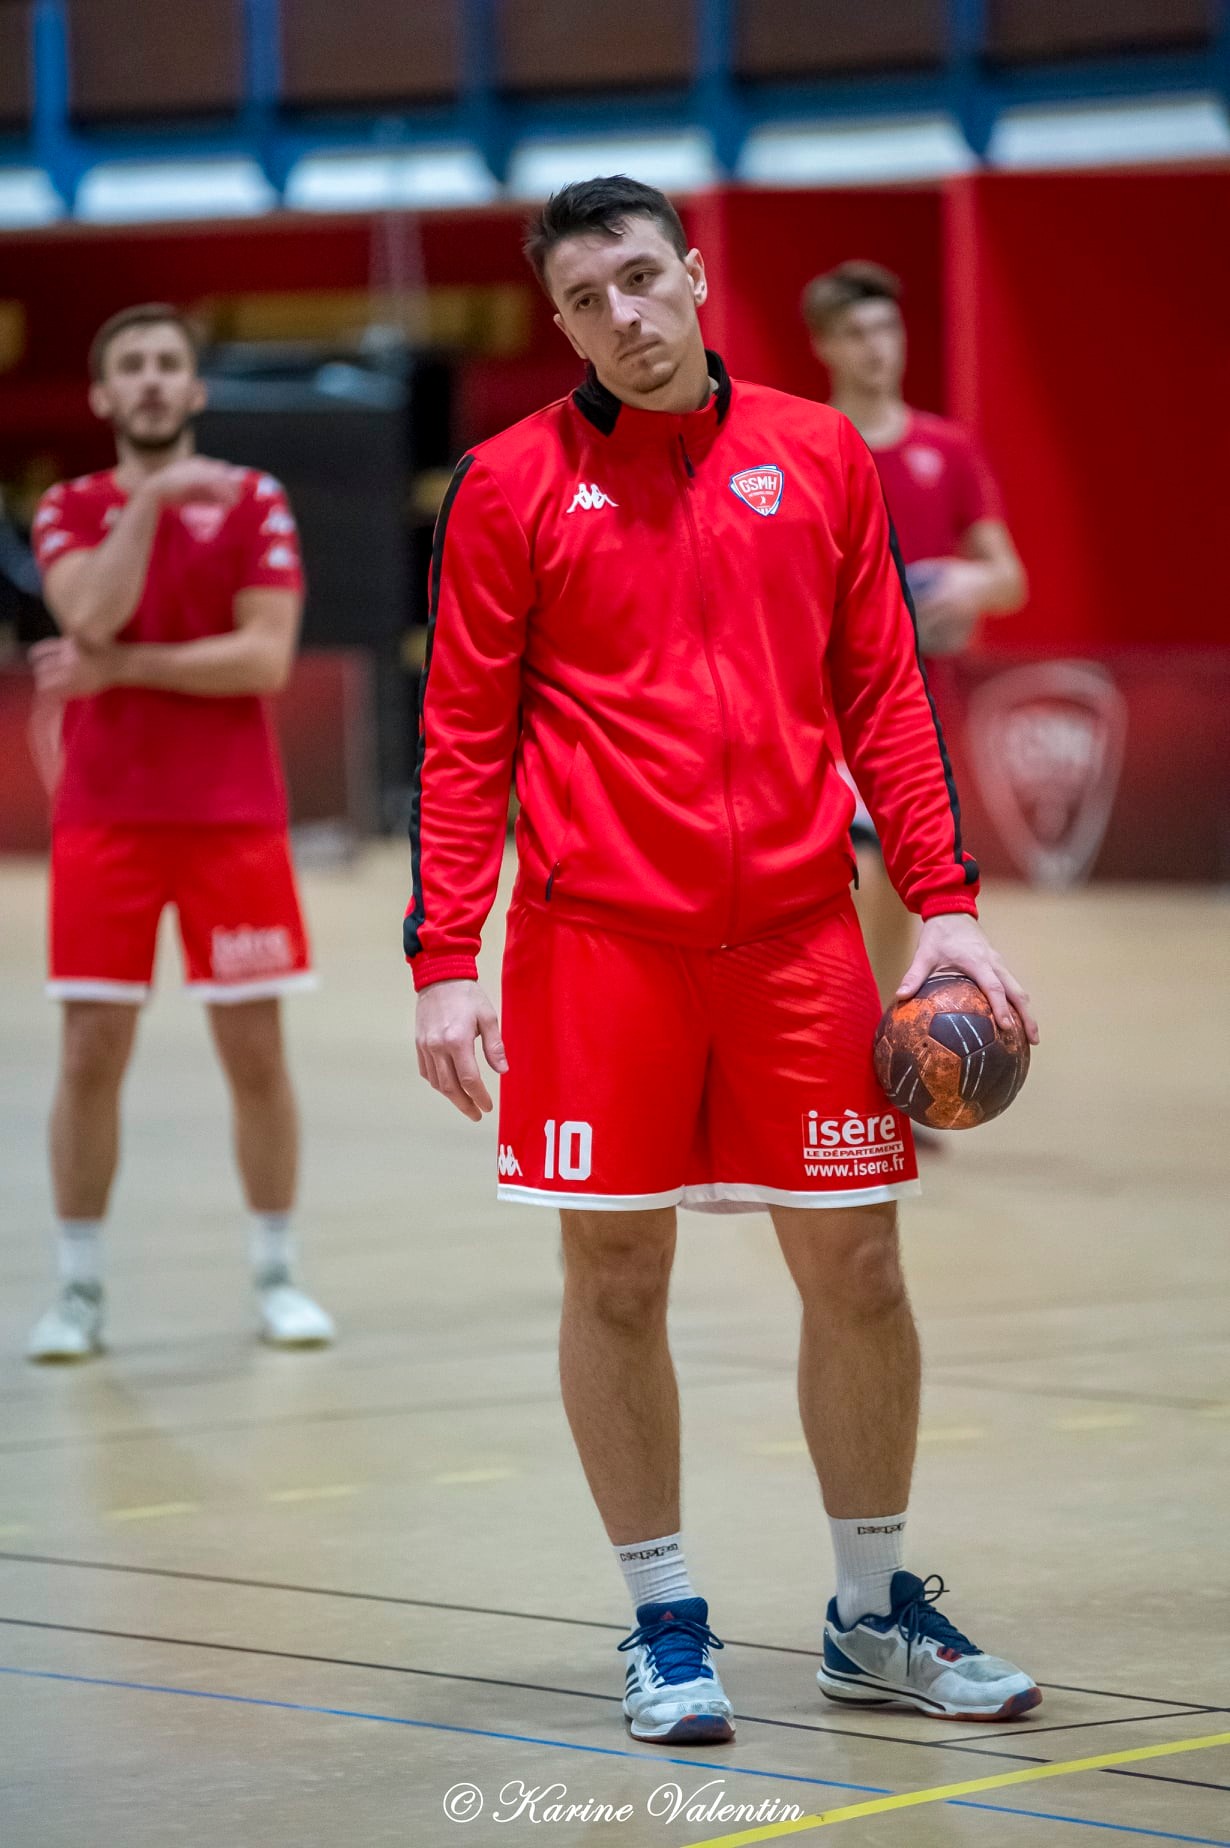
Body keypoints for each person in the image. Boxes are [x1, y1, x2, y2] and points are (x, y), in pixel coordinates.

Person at [406, 179, 1041, 1742]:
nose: (621, 316)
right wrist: (443, 956)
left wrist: (946, 905)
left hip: (798, 940)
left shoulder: (817, 454)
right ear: (560, 326)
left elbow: (883, 690)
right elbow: (463, 731)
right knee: (615, 1273)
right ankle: (663, 1620)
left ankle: (871, 1615)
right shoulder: (504, 485)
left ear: (694, 275)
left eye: (640, 278)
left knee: (860, 1266)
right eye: (585, 299)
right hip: (595, 946)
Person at [26, 302, 334, 1362]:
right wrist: (153, 499)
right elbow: (89, 616)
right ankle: (78, 1290)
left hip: (231, 818)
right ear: (103, 394)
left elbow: (263, 658)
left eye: (169, 363)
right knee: (89, 1052)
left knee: (255, 1052)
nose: (153, 379)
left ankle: (277, 1273)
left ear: (196, 389)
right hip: (104, 818)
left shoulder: (255, 498)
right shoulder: (68, 507)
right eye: (133, 366)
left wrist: (120, 672)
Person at [802, 260, 1028, 1004]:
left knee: (899, 887)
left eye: (887, 327)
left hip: (915, 712)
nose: (877, 346)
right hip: (823, 714)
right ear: (824, 345)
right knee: (853, 875)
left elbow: (1009, 578)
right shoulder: (808, 449)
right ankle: (853, 1031)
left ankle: (883, 1032)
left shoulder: (947, 449)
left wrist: (964, 583)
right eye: (856, 331)